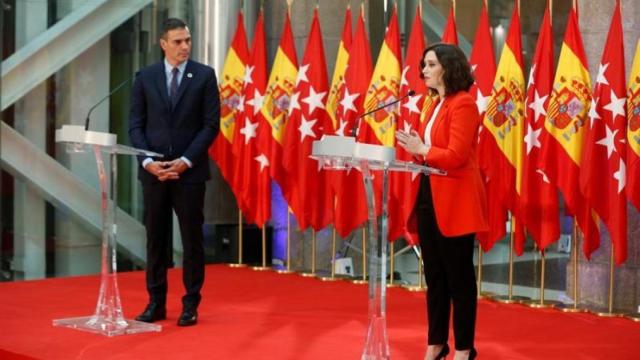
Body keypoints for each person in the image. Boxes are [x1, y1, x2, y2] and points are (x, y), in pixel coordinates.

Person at [396, 43, 488, 360]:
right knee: (434, 277)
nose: (423, 70)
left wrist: (422, 149)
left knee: (458, 279)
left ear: (447, 67)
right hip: (428, 196)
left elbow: (457, 156)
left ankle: (463, 349)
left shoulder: (464, 104)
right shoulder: (434, 103)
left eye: (430, 64)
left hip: (456, 202)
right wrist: (414, 147)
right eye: (424, 64)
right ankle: (436, 344)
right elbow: (434, 151)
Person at [129, 17, 219, 327]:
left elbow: (210, 125)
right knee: (156, 238)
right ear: (163, 44)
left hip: (189, 173)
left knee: (192, 239)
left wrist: (185, 160)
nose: (184, 46)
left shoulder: (204, 76)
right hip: (154, 172)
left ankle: (190, 303)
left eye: (188, 41)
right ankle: (155, 302)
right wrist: (147, 161)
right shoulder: (145, 76)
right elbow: (136, 126)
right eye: (178, 41)